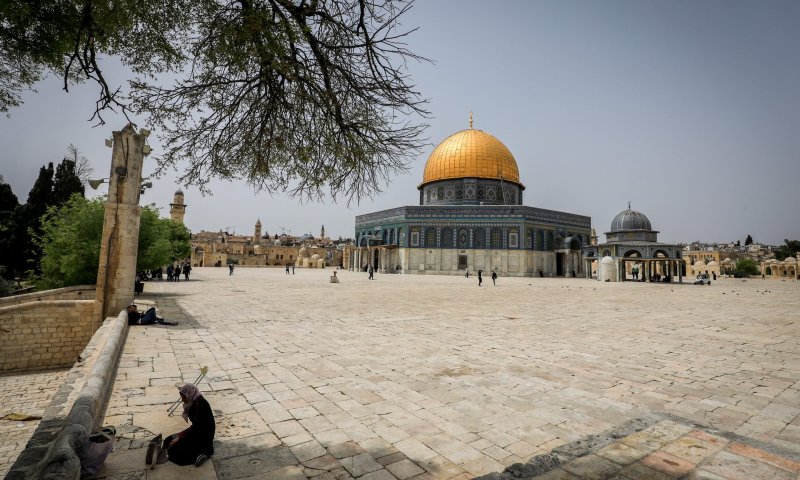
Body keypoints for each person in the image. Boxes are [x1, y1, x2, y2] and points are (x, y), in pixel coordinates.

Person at [158, 384, 215, 467]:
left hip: (203, 435)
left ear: (190, 395)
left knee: (177, 451)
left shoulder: (200, 404)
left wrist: (180, 437)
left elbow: (197, 428)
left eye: (184, 397)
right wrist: (179, 436)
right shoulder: (194, 402)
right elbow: (195, 425)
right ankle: (206, 448)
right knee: (168, 440)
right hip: (196, 430)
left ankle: (206, 451)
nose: (182, 400)